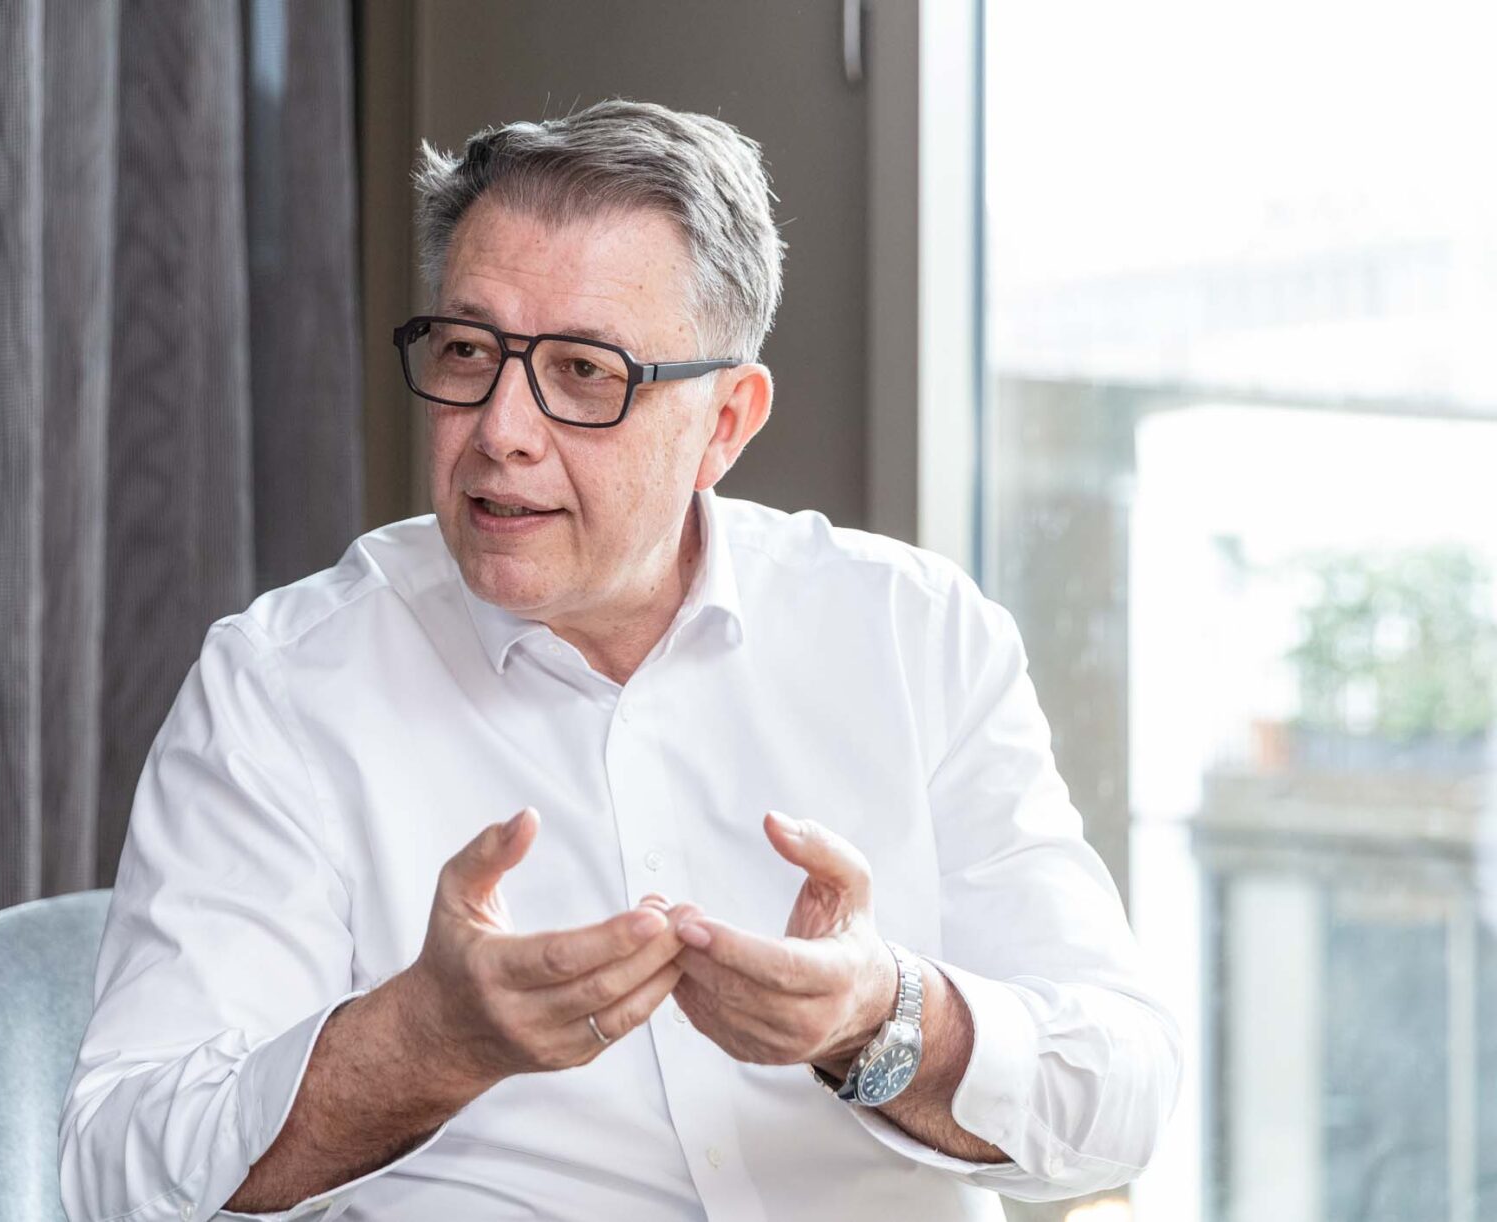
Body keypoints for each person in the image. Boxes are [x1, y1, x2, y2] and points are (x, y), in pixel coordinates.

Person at [59, 99, 1180, 1222]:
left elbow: (1120, 1092)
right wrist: (423, 1043)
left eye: (585, 371)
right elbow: (114, 1173)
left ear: (724, 423)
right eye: (467, 352)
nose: (500, 429)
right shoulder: (280, 688)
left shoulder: (914, 633)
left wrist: (878, 1018)